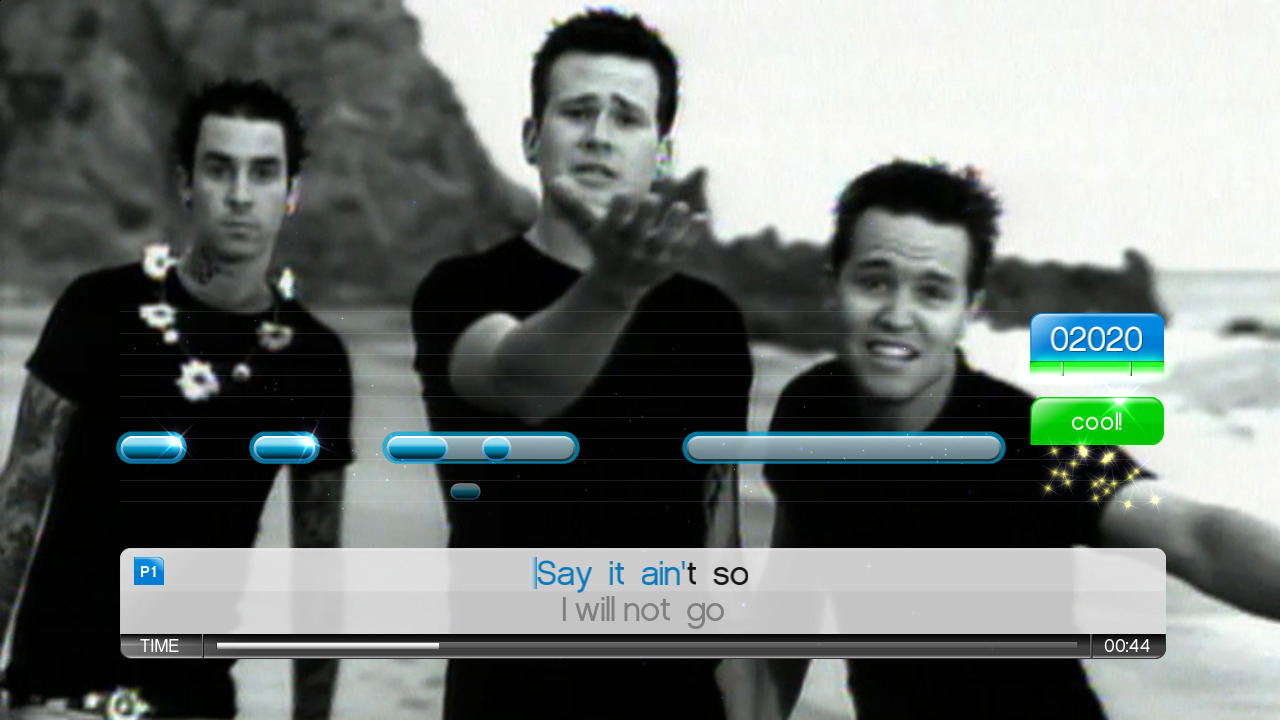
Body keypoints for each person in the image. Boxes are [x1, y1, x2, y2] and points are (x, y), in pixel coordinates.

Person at [743, 160, 1280, 719]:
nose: (898, 316)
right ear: (834, 285)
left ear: (968, 310)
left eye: (933, 292)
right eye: (874, 282)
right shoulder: (812, 408)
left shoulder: (1029, 441)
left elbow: (1196, 537)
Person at [410, 9, 753, 719]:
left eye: (627, 117)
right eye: (577, 111)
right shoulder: (462, 289)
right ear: (532, 138)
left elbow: (718, 533)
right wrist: (614, 288)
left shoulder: (710, 321)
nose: (599, 134)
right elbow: (522, 384)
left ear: (661, 153)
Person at [0, 79, 353, 719]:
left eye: (263, 172)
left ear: (291, 192)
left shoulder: (313, 360)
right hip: (57, 700)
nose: (240, 194)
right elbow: (16, 509)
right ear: (187, 183)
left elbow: (317, 572)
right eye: (220, 169)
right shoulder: (97, 309)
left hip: (195, 706)